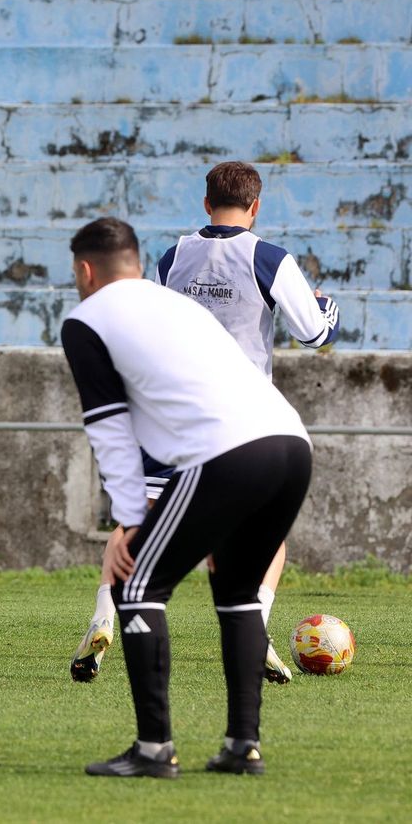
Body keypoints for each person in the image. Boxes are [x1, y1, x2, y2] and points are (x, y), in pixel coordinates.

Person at [70, 161, 340, 685]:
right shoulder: (269, 258)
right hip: (240, 421)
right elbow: (314, 336)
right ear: (256, 206)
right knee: (263, 533)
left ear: (205, 203)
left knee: (135, 523)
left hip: (170, 412)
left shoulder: (174, 256)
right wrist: (328, 309)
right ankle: (255, 628)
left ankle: (104, 618)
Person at [62, 217, 312, 777]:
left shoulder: (86, 320)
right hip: (291, 443)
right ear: (135, 263)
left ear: (84, 270)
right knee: (238, 591)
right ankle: (241, 747)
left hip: (226, 452)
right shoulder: (177, 307)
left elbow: (109, 427)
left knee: (135, 581)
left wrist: (129, 520)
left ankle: (153, 750)